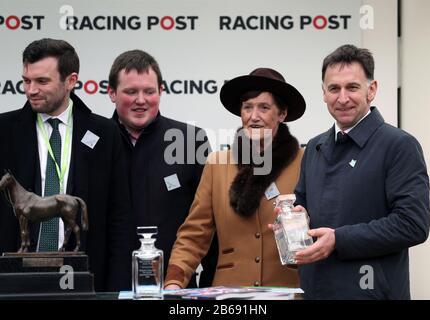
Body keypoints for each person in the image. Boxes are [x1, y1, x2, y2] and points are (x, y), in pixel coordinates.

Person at [292, 44, 430, 299]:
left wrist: (339, 239)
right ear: (323, 93)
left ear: (372, 90)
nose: (342, 98)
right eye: (334, 88)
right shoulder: (314, 147)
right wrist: (293, 220)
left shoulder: (399, 145)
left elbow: (413, 224)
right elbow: (302, 207)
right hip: (315, 292)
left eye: (352, 87)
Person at [0, 38, 133, 292]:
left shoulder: (106, 133)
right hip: (12, 282)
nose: (31, 90)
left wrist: (116, 291)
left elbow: (119, 219)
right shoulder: (3, 132)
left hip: (84, 280)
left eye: (42, 81)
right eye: (26, 81)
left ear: (71, 81)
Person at [164, 68, 306, 289]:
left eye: (264, 107)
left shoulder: (306, 162)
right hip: (231, 295)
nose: (253, 116)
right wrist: (174, 282)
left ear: (282, 113)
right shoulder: (216, 165)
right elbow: (193, 236)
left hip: (289, 290)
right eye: (247, 107)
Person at [107, 49, 217, 288]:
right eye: (130, 91)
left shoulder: (190, 140)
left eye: (149, 91)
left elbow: (207, 221)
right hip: (107, 287)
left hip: (175, 286)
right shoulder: (95, 140)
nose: (141, 100)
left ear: (161, 92)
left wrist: (211, 282)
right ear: (111, 93)